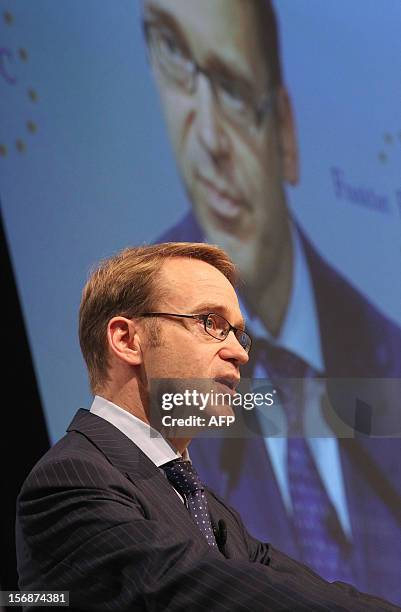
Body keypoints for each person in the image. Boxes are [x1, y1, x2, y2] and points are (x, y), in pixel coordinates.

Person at [142, 0, 401, 603]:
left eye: (233, 91)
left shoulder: (387, 358)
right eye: (175, 57)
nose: (208, 142)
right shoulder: (135, 369)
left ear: (285, 131)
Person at [16, 243, 400, 611]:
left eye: (238, 332)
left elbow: (304, 589)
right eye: (210, 323)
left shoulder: (207, 506)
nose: (240, 352)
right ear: (127, 340)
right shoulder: (69, 479)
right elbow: (193, 586)